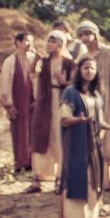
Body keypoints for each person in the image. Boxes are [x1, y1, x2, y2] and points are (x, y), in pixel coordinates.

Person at [57, 56, 110, 218]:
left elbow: (97, 120)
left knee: (94, 180)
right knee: (71, 178)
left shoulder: (95, 94)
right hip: (76, 142)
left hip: (93, 143)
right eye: (86, 68)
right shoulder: (70, 92)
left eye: (93, 68)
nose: (90, 71)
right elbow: (63, 118)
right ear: (79, 70)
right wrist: (78, 120)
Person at [74, 21, 110, 194]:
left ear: (94, 33)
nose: (84, 38)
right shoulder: (83, 56)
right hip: (93, 102)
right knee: (98, 142)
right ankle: (105, 180)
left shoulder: (108, 52)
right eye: (81, 35)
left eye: (86, 33)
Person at [26, 30, 74, 192]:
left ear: (60, 44)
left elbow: (74, 85)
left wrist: (63, 82)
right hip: (44, 103)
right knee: (40, 138)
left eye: (53, 42)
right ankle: (37, 178)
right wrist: (36, 61)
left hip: (61, 103)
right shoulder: (44, 61)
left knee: (59, 139)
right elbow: (31, 74)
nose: (49, 44)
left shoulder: (68, 62)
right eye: (49, 41)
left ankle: (60, 178)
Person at [0, 32, 37, 174]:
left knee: (32, 131)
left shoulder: (34, 59)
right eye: (27, 40)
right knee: (18, 131)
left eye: (31, 41)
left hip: (31, 101)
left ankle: (32, 162)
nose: (30, 44)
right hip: (17, 101)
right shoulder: (10, 61)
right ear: (18, 42)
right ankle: (20, 162)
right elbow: (5, 82)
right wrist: (8, 103)